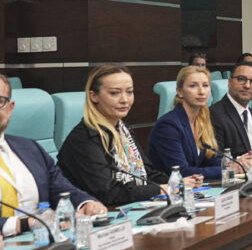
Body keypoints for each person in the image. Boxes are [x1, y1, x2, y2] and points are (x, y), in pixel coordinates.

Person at [0, 74, 106, 235]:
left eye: (0, 101)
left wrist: (86, 204)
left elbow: (61, 189)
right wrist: (25, 223)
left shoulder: (30, 148)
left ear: (10, 108)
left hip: (44, 240)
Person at [58, 65, 170, 206]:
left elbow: (147, 173)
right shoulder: (83, 138)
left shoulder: (122, 129)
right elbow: (109, 192)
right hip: (92, 213)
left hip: (127, 206)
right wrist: (159, 189)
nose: (124, 100)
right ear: (94, 96)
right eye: (114, 93)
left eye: (129, 92)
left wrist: (177, 182)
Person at [149, 65, 223, 182]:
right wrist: (225, 170)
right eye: (193, 86)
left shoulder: (202, 120)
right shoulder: (168, 126)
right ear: (180, 91)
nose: (201, 91)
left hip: (195, 188)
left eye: (205, 85)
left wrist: (227, 165)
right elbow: (181, 171)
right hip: (169, 190)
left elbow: (213, 158)